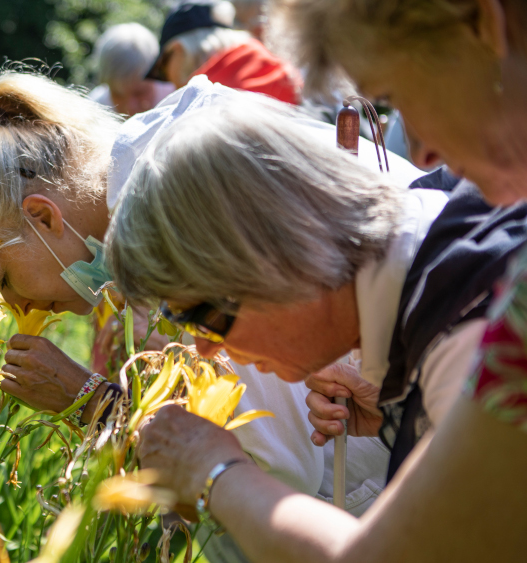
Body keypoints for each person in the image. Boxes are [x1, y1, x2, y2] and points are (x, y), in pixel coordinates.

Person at [0, 70, 415, 562]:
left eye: (1, 279)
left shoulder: (175, 206)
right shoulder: (164, 148)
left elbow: (271, 473)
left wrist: (92, 402)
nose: (12, 307)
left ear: (44, 216)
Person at [109, 13, 527, 549]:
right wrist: (403, 416)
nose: (203, 347)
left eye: (204, 315)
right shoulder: (452, 260)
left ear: (278, 249)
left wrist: (216, 471)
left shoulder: (468, 320)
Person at [146, 0, 301, 104]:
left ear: (178, 49)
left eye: (163, 69)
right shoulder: (279, 69)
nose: (169, 81)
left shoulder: (196, 104)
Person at [88, 23, 176, 116]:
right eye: (118, 95)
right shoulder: (94, 111)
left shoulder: (176, 99)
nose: (130, 108)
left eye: (139, 93)